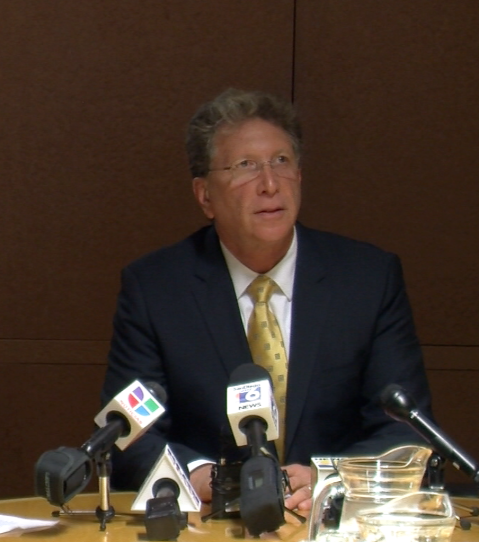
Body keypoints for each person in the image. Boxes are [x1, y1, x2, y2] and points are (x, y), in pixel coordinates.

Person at [100, 88, 432, 514]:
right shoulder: (157, 289)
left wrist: (331, 477)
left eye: (281, 162)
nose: (270, 184)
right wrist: (201, 477)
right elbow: (130, 436)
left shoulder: (367, 279)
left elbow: (406, 432)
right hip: (214, 525)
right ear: (204, 196)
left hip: (332, 524)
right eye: (245, 167)